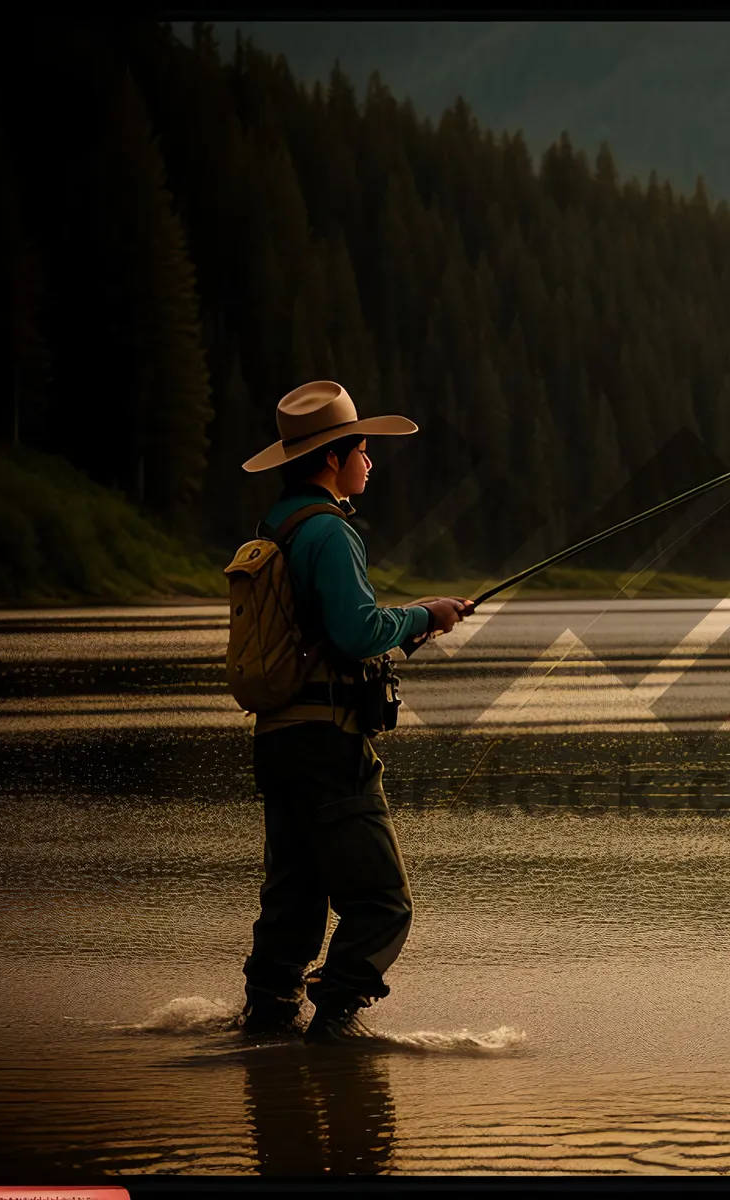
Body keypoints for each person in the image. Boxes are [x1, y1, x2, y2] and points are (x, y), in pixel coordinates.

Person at [233, 380, 470, 1043]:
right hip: (326, 746)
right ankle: (333, 1024)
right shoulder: (330, 533)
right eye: (364, 450)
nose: (371, 462)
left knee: (296, 899)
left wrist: (415, 622)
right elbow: (356, 632)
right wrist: (425, 614)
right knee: (381, 901)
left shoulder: (278, 526)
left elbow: (331, 630)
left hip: (279, 742)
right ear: (335, 457)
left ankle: (267, 1020)